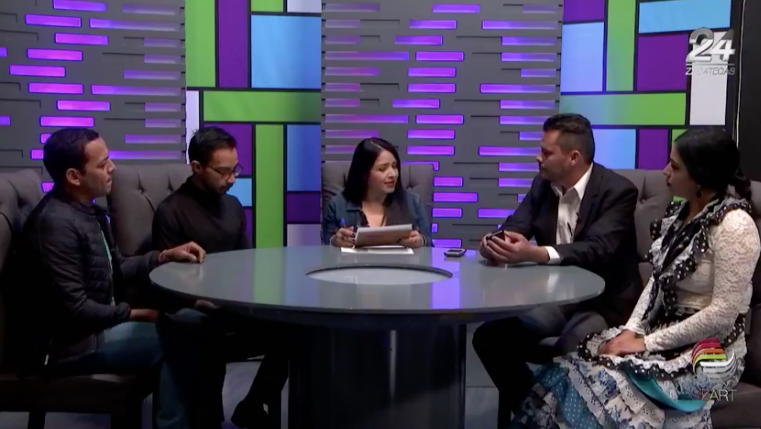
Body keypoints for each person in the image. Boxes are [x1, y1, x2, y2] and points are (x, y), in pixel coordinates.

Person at [508, 127, 761, 429]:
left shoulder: (735, 226)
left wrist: (645, 343)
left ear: (699, 178)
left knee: (603, 381)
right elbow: (655, 284)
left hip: (707, 352)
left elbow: (722, 315)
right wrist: (630, 332)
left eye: (675, 166)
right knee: (567, 371)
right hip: (660, 334)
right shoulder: (682, 215)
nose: (665, 172)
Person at [4, 128, 206, 429]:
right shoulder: (55, 225)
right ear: (74, 176)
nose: (112, 168)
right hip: (64, 347)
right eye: (102, 164)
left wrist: (164, 256)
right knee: (182, 340)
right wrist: (136, 313)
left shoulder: (86, 212)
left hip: (92, 330)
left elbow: (115, 267)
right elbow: (76, 309)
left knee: (194, 323)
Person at [472, 113, 643, 426]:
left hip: (604, 302)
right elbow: (516, 226)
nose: (538, 157)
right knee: (489, 337)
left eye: (546, 152)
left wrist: (537, 253)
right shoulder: (543, 185)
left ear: (573, 157)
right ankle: (538, 416)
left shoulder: (618, 191)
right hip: (559, 299)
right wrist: (496, 243)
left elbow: (598, 249)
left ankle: (554, 417)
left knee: (569, 348)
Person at [152, 126, 287, 429]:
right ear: (197, 167)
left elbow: (246, 263)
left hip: (233, 307)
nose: (232, 179)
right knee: (196, 330)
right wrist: (201, 302)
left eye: (235, 169)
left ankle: (252, 405)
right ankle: (205, 418)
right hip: (192, 309)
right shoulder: (171, 211)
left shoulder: (234, 206)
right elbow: (164, 284)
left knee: (293, 331)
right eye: (223, 172)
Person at [322, 137, 432, 248]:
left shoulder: (413, 202)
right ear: (364, 174)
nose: (393, 174)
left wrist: (421, 241)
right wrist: (334, 241)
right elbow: (324, 248)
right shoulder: (337, 205)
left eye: (394, 166)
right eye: (382, 169)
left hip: (401, 260)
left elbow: (429, 245)